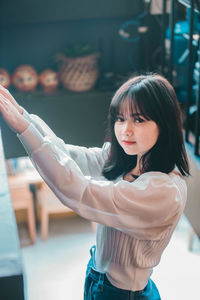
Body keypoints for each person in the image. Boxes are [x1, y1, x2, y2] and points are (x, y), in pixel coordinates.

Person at [0, 74, 189, 300]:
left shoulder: (164, 191)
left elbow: (79, 191)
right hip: (99, 277)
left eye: (138, 120)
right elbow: (71, 156)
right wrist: (25, 118)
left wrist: (23, 128)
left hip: (122, 294)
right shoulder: (133, 160)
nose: (125, 130)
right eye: (120, 118)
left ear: (164, 123)